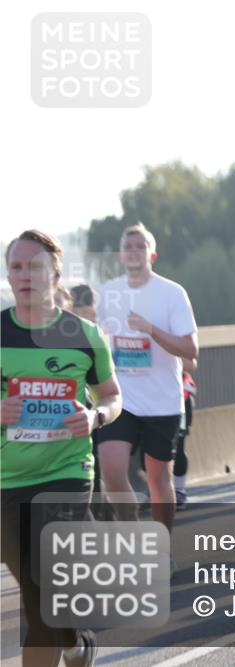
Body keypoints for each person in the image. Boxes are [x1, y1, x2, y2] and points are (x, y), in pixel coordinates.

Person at [2, 230, 123, 667]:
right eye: (16, 266)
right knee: (37, 591)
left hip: (67, 472)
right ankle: (75, 642)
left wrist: (94, 417)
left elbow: (111, 394)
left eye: (34, 266)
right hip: (7, 480)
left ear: (55, 274)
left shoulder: (83, 334)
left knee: (43, 592)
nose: (24, 275)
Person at [94, 223, 198, 544]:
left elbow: (190, 349)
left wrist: (150, 329)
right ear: (121, 255)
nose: (135, 251)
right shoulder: (109, 292)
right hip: (121, 399)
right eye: (129, 246)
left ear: (152, 254)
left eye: (142, 246)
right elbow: (98, 344)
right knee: (111, 473)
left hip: (162, 401)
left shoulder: (172, 293)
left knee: (158, 480)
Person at [173, 357, 197, 510]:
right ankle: (158, 486)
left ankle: (179, 489)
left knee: (179, 445)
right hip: (145, 400)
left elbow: (191, 361)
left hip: (179, 397)